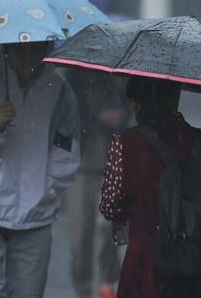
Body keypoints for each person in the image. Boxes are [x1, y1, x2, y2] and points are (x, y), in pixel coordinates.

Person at [0, 41, 81, 298]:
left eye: (36, 48)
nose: (28, 56)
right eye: (21, 48)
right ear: (6, 49)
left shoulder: (59, 91)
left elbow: (66, 150)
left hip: (35, 219)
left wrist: (46, 190)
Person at [99, 77, 201, 298]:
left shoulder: (125, 144)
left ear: (137, 105)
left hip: (145, 263)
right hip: (198, 266)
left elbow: (109, 206)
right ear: (176, 98)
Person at [65, 73, 126, 298]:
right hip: (80, 165)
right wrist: (99, 116)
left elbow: (127, 115)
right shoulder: (72, 80)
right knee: (81, 231)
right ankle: (82, 287)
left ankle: (107, 281)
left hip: (111, 162)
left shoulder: (118, 77)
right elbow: (70, 118)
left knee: (109, 225)